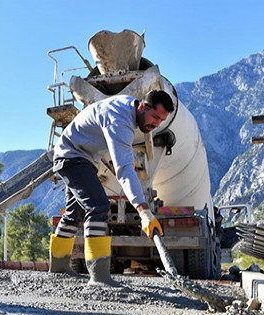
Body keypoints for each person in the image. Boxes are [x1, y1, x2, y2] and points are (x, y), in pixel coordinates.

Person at [49, 90, 175, 286]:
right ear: (142, 106)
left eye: (161, 120)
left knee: (75, 212)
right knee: (98, 206)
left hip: (79, 157)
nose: (156, 124)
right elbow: (124, 169)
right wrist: (144, 211)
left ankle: (57, 268)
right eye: (155, 117)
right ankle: (99, 276)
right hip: (72, 157)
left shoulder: (126, 108)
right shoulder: (121, 119)